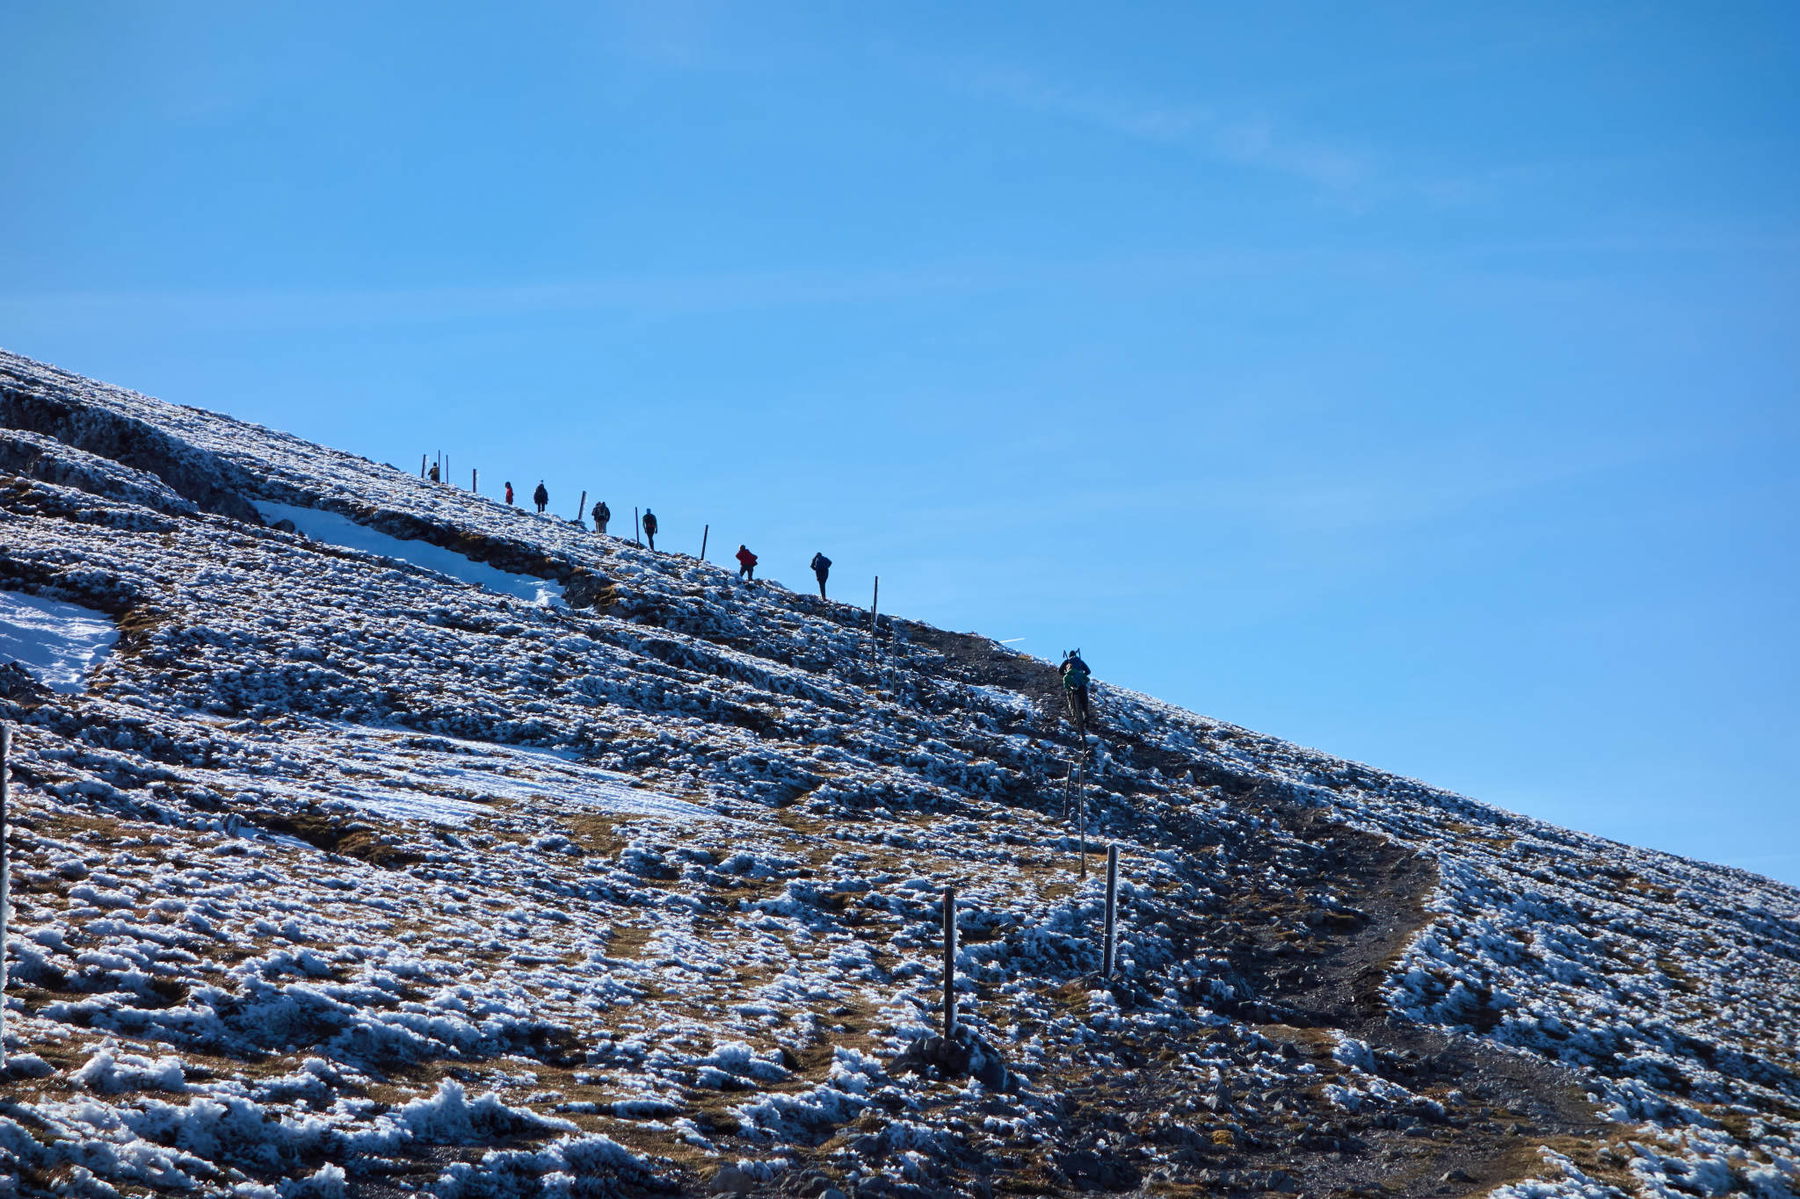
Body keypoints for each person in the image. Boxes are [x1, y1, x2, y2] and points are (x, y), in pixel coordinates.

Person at [1060, 649, 1092, 726]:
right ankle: (1086, 716)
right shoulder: (1080, 661)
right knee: (1085, 701)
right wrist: (1082, 675)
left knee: (1070, 698)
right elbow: (1088, 671)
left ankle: (1075, 716)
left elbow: (1060, 671)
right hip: (1081, 684)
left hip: (1072, 685)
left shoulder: (1067, 661)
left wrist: (1065, 674)